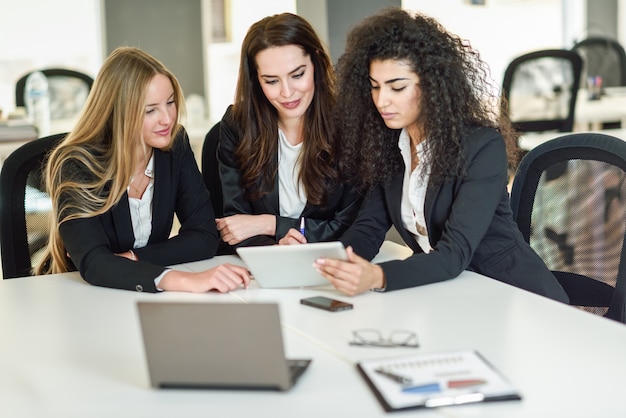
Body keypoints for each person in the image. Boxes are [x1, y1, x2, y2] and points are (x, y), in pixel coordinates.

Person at [314, 8, 569, 303]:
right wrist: (334, 264)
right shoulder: (390, 145)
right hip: (450, 292)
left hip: (513, 295)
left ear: (432, 85)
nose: (382, 100)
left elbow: (454, 253)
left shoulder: (481, 146)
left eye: (397, 87)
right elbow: (369, 227)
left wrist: (378, 277)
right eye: (375, 87)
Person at [34, 46, 250, 293]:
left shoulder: (174, 146)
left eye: (170, 103)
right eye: (151, 110)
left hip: (143, 296)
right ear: (118, 113)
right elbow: (95, 263)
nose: (167, 119)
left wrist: (134, 257)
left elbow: (204, 235)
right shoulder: (76, 164)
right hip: (83, 294)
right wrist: (181, 280)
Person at [214, 12, 361, 249]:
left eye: (297, 75)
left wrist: (271, 224)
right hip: (261, 269)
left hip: (332, 266)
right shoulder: (237, 125)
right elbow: (236, 225)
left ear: (317, 64)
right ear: (256, 81)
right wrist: (274, 251)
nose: (287, 92)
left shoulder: (351, 127)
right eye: (271, 81)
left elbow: (352, 227)